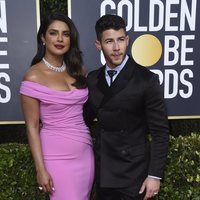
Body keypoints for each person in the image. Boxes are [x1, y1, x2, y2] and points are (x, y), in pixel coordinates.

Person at [84, 14, 169, 200]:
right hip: (103, 170)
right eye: (109, 41)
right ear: (98, 44)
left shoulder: (146, 80)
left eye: (121, 40)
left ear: (127, 40)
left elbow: (160, 132)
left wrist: (154, 175)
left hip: (134, 174)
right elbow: (84, 119)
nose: (116, 48)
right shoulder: (92, 79)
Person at [20, 13, 94, 200]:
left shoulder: (78, 71)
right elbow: (32, 126)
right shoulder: (33, 76)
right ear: (43, 38)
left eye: (66, 34)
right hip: (56, 157)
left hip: (85, 155)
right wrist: (40, 169)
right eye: (53, 33)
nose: (60, 39)